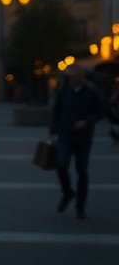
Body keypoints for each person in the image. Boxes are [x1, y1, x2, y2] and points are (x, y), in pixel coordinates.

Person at [49, 63, 103, 219]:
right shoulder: (64, 91)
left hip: (83, 138)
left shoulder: (91, 93)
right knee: (61, 165)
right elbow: (56, 111)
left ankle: (80, 206)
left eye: (74, 75)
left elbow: (100, 112)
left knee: (82, 171)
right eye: (70, 75)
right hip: (65, 135)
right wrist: (53, 131)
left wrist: (86, 122)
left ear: (81, 76)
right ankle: (67, 192)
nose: (72, 77)